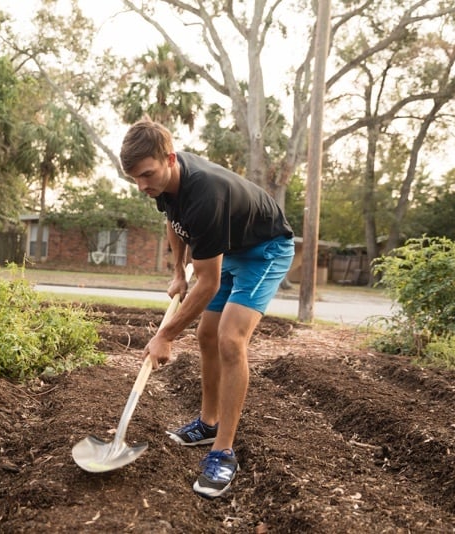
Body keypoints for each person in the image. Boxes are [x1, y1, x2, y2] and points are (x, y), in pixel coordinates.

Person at [119, 118, 295, 499]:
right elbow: (173, 222)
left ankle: (224, 451)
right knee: (205, 334)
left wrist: (165, 335)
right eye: (135, 179)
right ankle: (209, 423)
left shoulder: (206, 194)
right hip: (230, 249)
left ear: (169, 158)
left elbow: (209, 283)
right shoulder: (164, 184)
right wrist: (178, 270)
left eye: (147, 175)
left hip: (266, 251)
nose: (142, 186)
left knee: (230, 340)